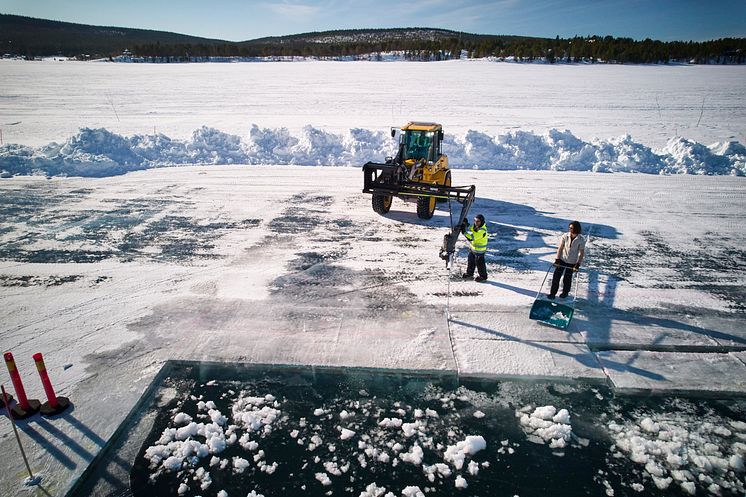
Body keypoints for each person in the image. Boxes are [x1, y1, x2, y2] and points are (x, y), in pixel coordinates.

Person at [547, 221, 586, 299]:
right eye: (569, 227)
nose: (570, 229)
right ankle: (552, 293)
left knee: (567, 279)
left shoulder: (581, 239)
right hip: (562, 260)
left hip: (572, 262)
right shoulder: (565, 236)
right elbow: (560, 248)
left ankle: (565, 293)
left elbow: (581, 253)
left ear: (576, 229)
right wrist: (557, 259)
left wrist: (578, 264)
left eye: (571, 228)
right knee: (556, 277)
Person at [460, 214, 488, 282]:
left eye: (478, 221)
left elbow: (471, 238)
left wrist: (464, 232)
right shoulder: (477, 227)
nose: (476, 223)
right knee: (471, 262)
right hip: (473, 250)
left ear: (482, 222)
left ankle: (483, 276)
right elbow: (472, 228)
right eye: (475, 221)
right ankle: (469, 274)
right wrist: (466, 224)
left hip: (479, 251)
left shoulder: (482, 231)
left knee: (480, 264)